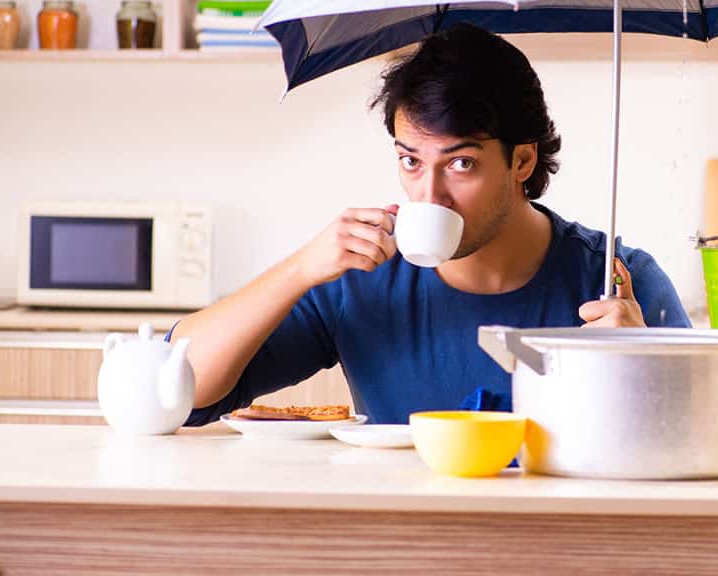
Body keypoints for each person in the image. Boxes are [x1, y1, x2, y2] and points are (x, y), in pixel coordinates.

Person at [171, 23, 690, 425]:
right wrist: (300, 269)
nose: (429, 194)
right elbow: (177, 391)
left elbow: (700, 444)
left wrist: (642, 363)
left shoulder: (618, 283)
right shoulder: (360, 277)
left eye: (461, 163)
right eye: (411, 161)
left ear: (523, 162)